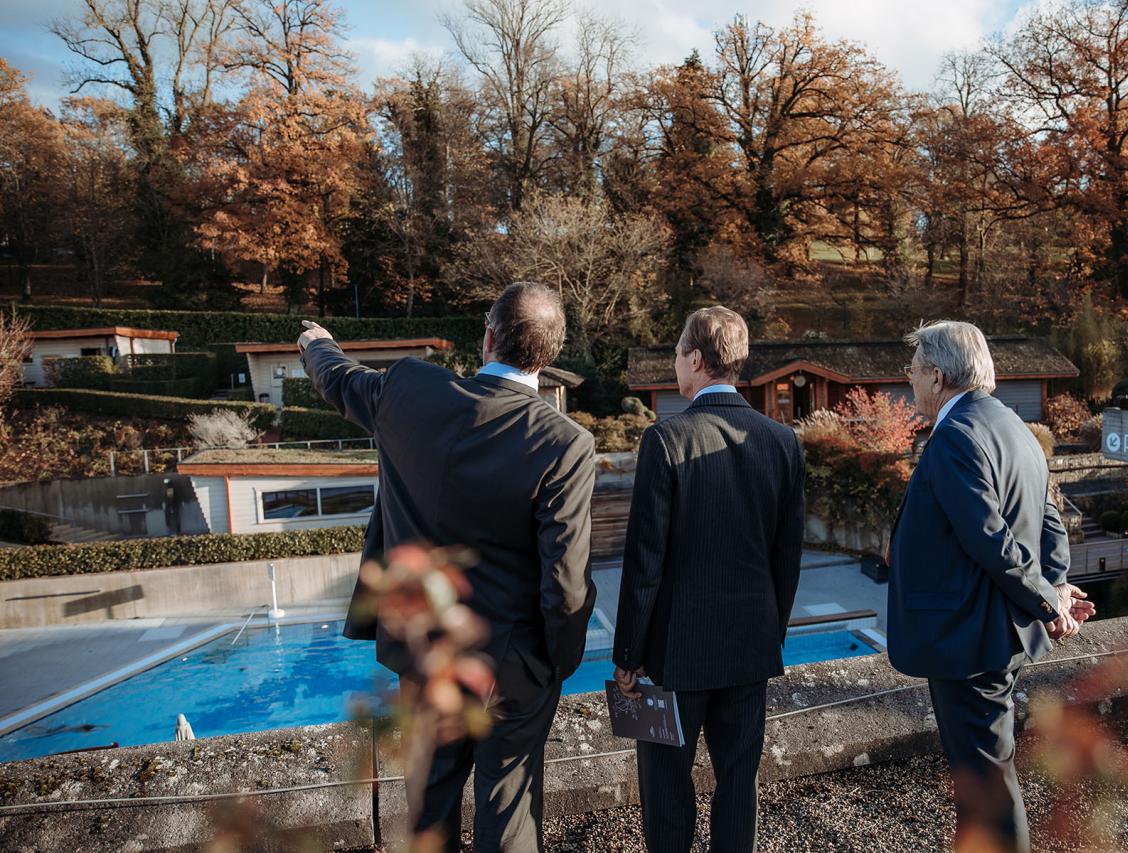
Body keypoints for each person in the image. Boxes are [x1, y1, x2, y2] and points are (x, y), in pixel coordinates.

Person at [297, 282, 597, 852]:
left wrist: (317, 343)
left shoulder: (410, 390)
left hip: (424, 653)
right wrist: (555, 666)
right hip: (514, 664)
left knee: (427, 814)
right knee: (508, 816)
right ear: (551, 354)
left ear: (487, 337)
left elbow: (336, 379)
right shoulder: (566, 443)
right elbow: (565, 579)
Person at [888, 320, 1096, 853]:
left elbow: (990, 539)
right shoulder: (1013, 426)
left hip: (968, 637)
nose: (908, 381)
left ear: (936, 376)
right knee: (982, 774)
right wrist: (1057, 582)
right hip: (991, 631)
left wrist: (1049, 599)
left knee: (985, 781)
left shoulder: (956, 436)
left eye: (912, 371)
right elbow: (1050, 517)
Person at [612, 306, 806, 853]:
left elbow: (644, 561)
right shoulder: (782, 442)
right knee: (739, 785)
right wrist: (773, 633)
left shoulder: (666, 439)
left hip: (674, 653)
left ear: (696, 360)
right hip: (750, 645)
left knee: (667, 790)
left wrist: (628, 653)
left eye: (677, 354)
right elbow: (786, 559)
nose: (676, 364)